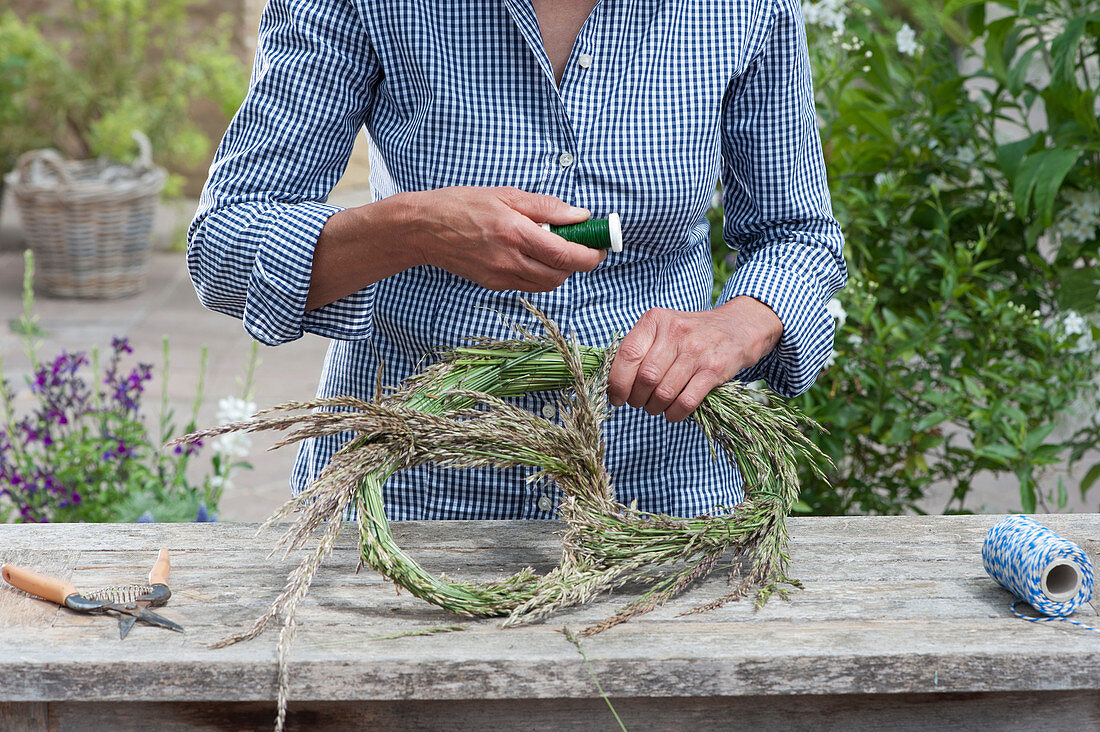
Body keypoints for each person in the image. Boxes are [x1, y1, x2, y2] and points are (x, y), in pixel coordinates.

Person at [187, 0, 847, 521]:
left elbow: (800, 236)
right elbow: (225, 245)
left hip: (656, 498)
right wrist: (416, 229)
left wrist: (733, 326)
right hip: (410, 495)